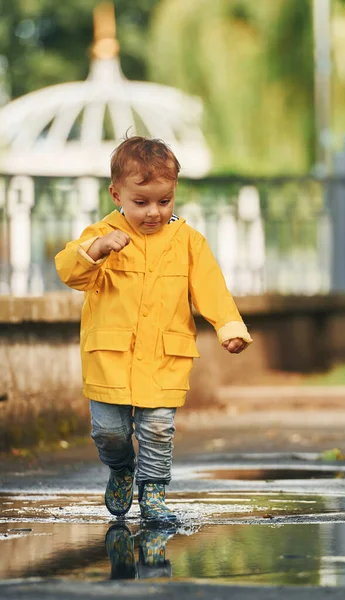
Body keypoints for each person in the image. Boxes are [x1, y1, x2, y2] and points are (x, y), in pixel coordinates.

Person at [55, 136, 253, 524]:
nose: (153, 213)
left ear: (174, 193)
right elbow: (68, 270)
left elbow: (211, 287)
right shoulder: (101, 234)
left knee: (158, 430)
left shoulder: (188, 241)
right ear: (116, 194)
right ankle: (121, 469)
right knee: (108, 432)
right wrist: (96, 249)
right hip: (111, 359)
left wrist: (229, 326)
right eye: (140, 203)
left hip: (164, 357)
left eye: (164, 202)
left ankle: (154, 493)